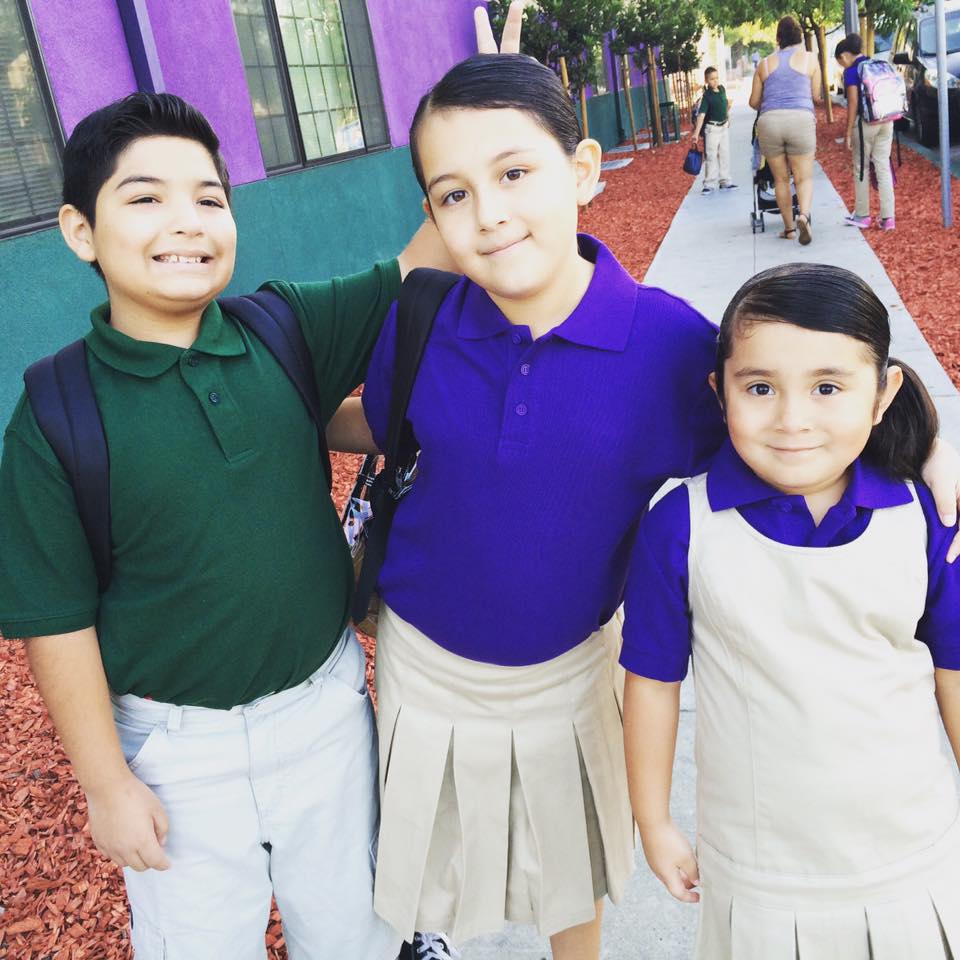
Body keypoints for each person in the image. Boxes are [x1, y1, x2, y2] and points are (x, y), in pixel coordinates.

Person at [353, 54, 960, 960]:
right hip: (423, 656)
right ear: (431, 215)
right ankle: (426, 937)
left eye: (514, 173)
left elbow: (785, 405)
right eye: (453, 194)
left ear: (583, 170)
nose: (489, 214)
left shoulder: (666, 344)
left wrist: (924, 448)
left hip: (568, 666)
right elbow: (382, 421)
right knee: (426, 848)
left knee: (569, 865)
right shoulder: (422, 319)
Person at [0, 7, 526, 958]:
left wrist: (488, 129)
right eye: (145, 199)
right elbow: (55, 621)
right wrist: (107, 783)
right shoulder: (57, 413)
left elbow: (421, 259)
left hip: (326, 710)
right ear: (80, 230)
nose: (186, 223)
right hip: (178, 748)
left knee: (358, 930)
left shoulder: (281, 328)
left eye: (210, 198)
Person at [622, 262, 960, 959]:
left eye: (827, 387)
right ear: (719, 392)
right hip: (760, 870)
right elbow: (652, 683)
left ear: (882, 394)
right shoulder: (681, 525)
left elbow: (953, 669)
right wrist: (652, 820)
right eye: (760, 388)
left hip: (909, 856)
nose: (792, 420)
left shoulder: (924, 516)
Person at [749, 16, 821, 244]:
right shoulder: (810, 59)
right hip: (800, 119)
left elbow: (753, 102)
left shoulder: (764, 64)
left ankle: (789, 229)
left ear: (778, 38)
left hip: (770, 122)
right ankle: (804, 216)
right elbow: (816, 96)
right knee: (803, 177)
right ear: (799, 37)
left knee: (781, 179)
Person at [836, 34, 896, 231]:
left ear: (845, 55)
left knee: (861, 168)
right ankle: (888, 218)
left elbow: (853, 102)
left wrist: (847, 131)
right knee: (883, 166)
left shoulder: (852, 71)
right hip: (886, 120)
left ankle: (862, 215)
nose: (841, 65)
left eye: (840, 61)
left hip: (866, 124)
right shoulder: (876, 64)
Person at [691, 67, 738, 194]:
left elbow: (725, 104)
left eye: (716, 78)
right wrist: (696, 133)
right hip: (712, 129)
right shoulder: (707, 96)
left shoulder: (722, 89)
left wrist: (727, 117)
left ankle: (725, 181)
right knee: (711, 156)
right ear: (706, 80)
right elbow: (701, 115)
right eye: (712, 79)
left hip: (723, 127)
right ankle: (709, 184)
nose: (715, 81)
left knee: (724, 154)